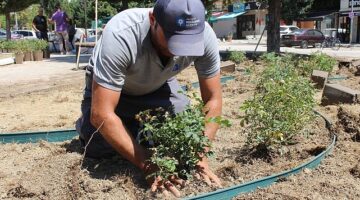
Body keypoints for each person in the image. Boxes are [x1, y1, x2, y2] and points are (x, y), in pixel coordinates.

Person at [76, 0, 222, 197]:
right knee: (100, 147)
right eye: (173, 39)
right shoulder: (122, 34)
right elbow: (102, 113)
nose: (179, 50)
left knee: (181, 138)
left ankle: (132, 127)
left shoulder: (205, 35)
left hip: (159, 84)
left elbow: (213, 99)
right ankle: (86, 124)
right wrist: (146, 163)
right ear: (153, 19)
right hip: (114, 90)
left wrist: (200, 155)